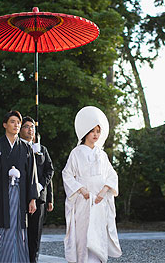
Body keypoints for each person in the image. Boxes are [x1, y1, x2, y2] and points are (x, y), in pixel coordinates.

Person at [62, 106, 122, 263]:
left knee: (98, 233)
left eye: (98, 131)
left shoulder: (102, 154)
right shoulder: (76, 152)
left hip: (99, 201)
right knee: (83, 234)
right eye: (92, 131)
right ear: (85, 132)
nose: (95, 134)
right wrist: (81, 189)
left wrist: (104, 190)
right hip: (83, 200)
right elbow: (67, 174)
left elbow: (111, 174)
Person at [0, 110, 39, 263]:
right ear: (5, 125)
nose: (16, 125)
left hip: (20, 196)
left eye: (18, 122)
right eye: (12, 122)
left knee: (19, 230)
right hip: (0, 195)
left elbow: (31, 175)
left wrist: (32, 198)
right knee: (1, 226)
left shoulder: (26, 148)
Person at [19, 116, 54, 263]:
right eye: (27, 126)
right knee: (21, 232)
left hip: (39, 196)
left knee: (35, 233)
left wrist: (46, 194)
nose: (30, 129)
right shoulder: (18, 147)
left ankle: (33, 259)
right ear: (20, 129)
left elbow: (49, 171)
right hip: (22, 195)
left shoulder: (42, 149)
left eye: (32, 127)